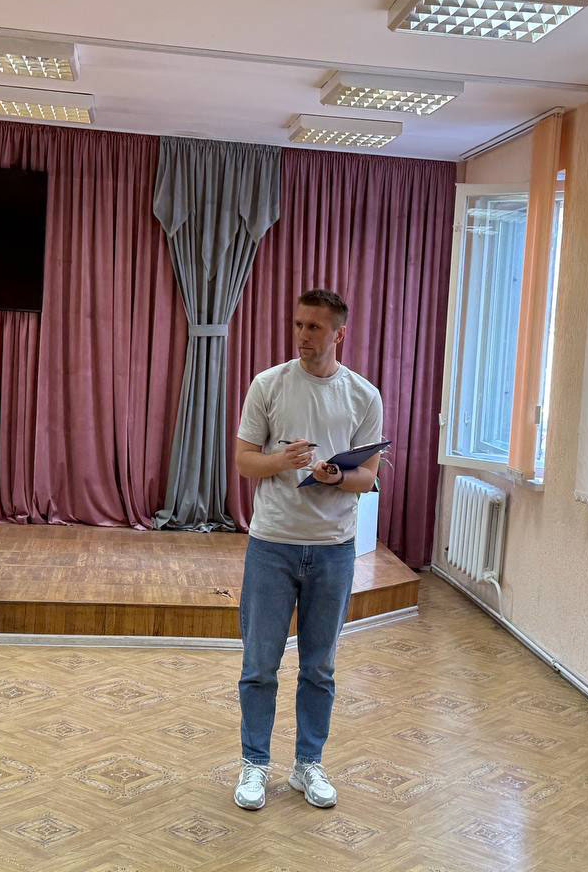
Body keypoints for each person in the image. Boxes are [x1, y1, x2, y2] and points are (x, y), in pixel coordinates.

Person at [231, 289, 383, 811]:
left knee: (319, 669)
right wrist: (282, 461)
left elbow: (367, 478)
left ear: (339, 334)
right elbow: (244, 462)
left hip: (333, 550)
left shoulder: (364, 396)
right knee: (259, 665)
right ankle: (255, 764)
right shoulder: (268, 384)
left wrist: (336, 475)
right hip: (271, 544)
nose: (302, 335)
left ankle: (307, 765)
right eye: (298, 324)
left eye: (314, 327)